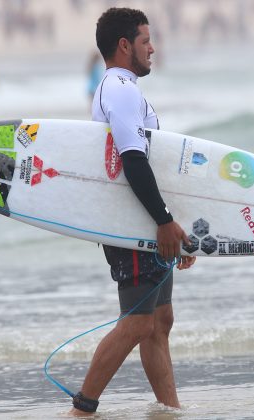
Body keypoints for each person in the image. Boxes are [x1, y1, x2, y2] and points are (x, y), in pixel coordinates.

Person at [71, 7, 196, 416]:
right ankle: (81, 410)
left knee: (160, 321)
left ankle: (170, 408)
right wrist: (163, 221)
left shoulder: (125, 88)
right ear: (125, 46)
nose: (153, 48)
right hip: (134, 222)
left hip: (149, 220)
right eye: (146, 41)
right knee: (138, 322)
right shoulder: (119, 90)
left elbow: (154, 163)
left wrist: (176, 225)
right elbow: (133, 160)